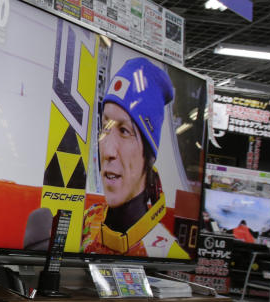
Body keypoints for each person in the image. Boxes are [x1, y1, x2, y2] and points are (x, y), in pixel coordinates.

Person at [81, 58, 189, 258]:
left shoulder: (166, 254)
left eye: (124, 130)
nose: (109, 151)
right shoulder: (88, 220)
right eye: (105, 127)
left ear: (148, 156)